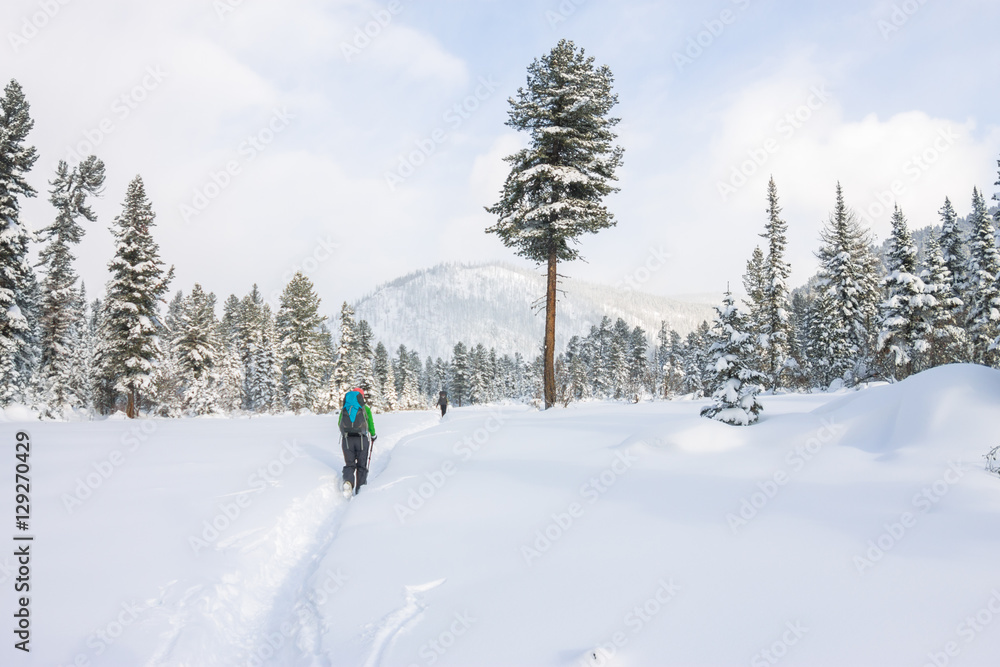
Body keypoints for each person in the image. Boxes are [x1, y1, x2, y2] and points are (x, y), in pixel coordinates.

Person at [339, 387, 376, 495]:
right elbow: (370, 424)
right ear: (361, 396)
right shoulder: (365, 408)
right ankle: (361, 490)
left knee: (349, 464)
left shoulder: (345, 408)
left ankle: (348, 482)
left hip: (347, 440)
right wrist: (373, 435)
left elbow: (339, 423)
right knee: (362, 465)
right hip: (361, 440)